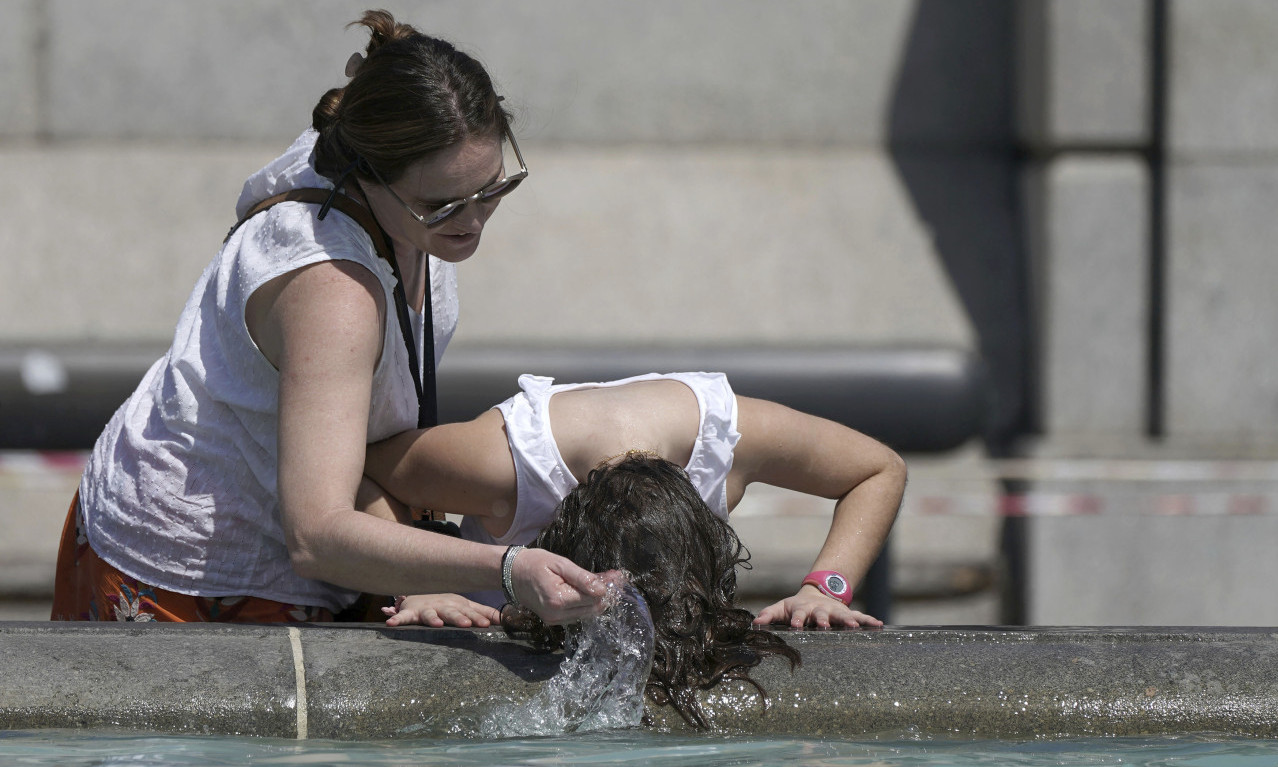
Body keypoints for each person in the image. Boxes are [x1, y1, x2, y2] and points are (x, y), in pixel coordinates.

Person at [50, 10, 607, 625]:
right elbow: (317, 534)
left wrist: (421, 569)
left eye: (494, 189)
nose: (472, 221)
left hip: (295, 521)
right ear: (368, 172)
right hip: (184, 563)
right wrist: (505, 566)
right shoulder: (333, 292)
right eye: (442, 204)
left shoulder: (380, 184)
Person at [363, 372, 907, 630]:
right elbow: (358, 471)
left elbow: (878, 469)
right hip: (474, 612)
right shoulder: (498, 463)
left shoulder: (732, 438)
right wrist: (422, 584)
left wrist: (825, 589)